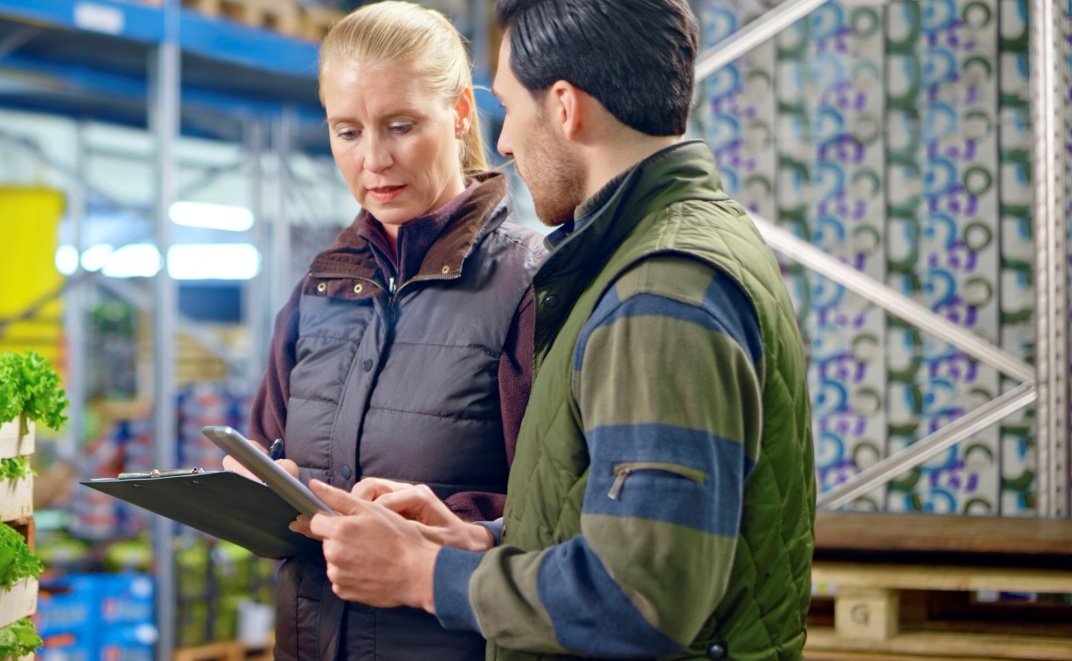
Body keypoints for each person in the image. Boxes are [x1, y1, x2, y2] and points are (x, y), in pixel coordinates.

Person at [303, 0, 817, 659]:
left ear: (566, 107)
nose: (504, 144)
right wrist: (480, 541)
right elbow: (618, 522)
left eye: (509, 107)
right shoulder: (646, 259)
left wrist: (425, 574)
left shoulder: (659, 291)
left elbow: (640, 594)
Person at [224, 2, 547, 659]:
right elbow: (266, 440)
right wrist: (254, 486)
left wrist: (455, 532)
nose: (373, 159)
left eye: (401, 126)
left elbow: (560, 516)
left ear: (460, 113)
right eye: (347, 132)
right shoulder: (319, 287)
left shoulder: (528, 285)